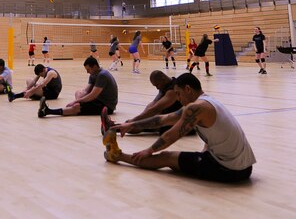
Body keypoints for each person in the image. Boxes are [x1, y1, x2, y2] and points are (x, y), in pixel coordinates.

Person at [102, 73, 255, 183]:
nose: (178, 98)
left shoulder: (196, 108)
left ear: (188, 89)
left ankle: (117, 156)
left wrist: (149, 150)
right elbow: (163, 119)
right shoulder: (206, 102)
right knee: (178, 163)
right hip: (243, 166)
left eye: (178, 94)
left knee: (167, 157)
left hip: (231, 170)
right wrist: (131, 125)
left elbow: (171, 135)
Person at [101, 70, 181, 136]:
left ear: (163, 79)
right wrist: (138, 119)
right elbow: (153, 104)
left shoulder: (173, 89)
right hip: (169, 117)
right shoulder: (165, 85)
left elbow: (156, 109)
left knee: (142, 124)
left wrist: (134, 120)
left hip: (179, 123)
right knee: (140, 123)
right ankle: (111, 128)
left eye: (157, 85)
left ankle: (111, 128)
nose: (157, 88)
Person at [38, 56, 117, 118]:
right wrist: (78, 101)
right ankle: (76, 106)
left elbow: (93, 95)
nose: (87, 72)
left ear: (94, 66)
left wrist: (76, 102)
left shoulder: (102, 75)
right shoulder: (93, 75)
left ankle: (47, 111)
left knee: (77, 107)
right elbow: (86, 91)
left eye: (88, 69)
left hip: (106, 106)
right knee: (78, 93)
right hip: (99, 101)